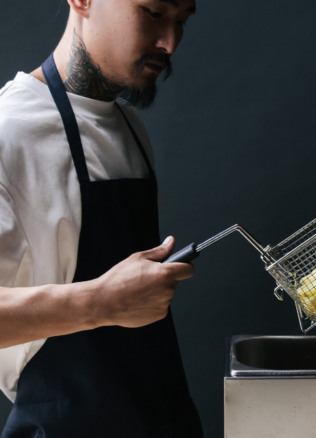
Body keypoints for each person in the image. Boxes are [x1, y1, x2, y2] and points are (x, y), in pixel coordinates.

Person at [0, 0, 202, 436]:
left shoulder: (129, 126)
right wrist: (102, 302)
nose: (170, 42)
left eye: (181, 21)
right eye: (152, 12)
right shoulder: (9, 130)